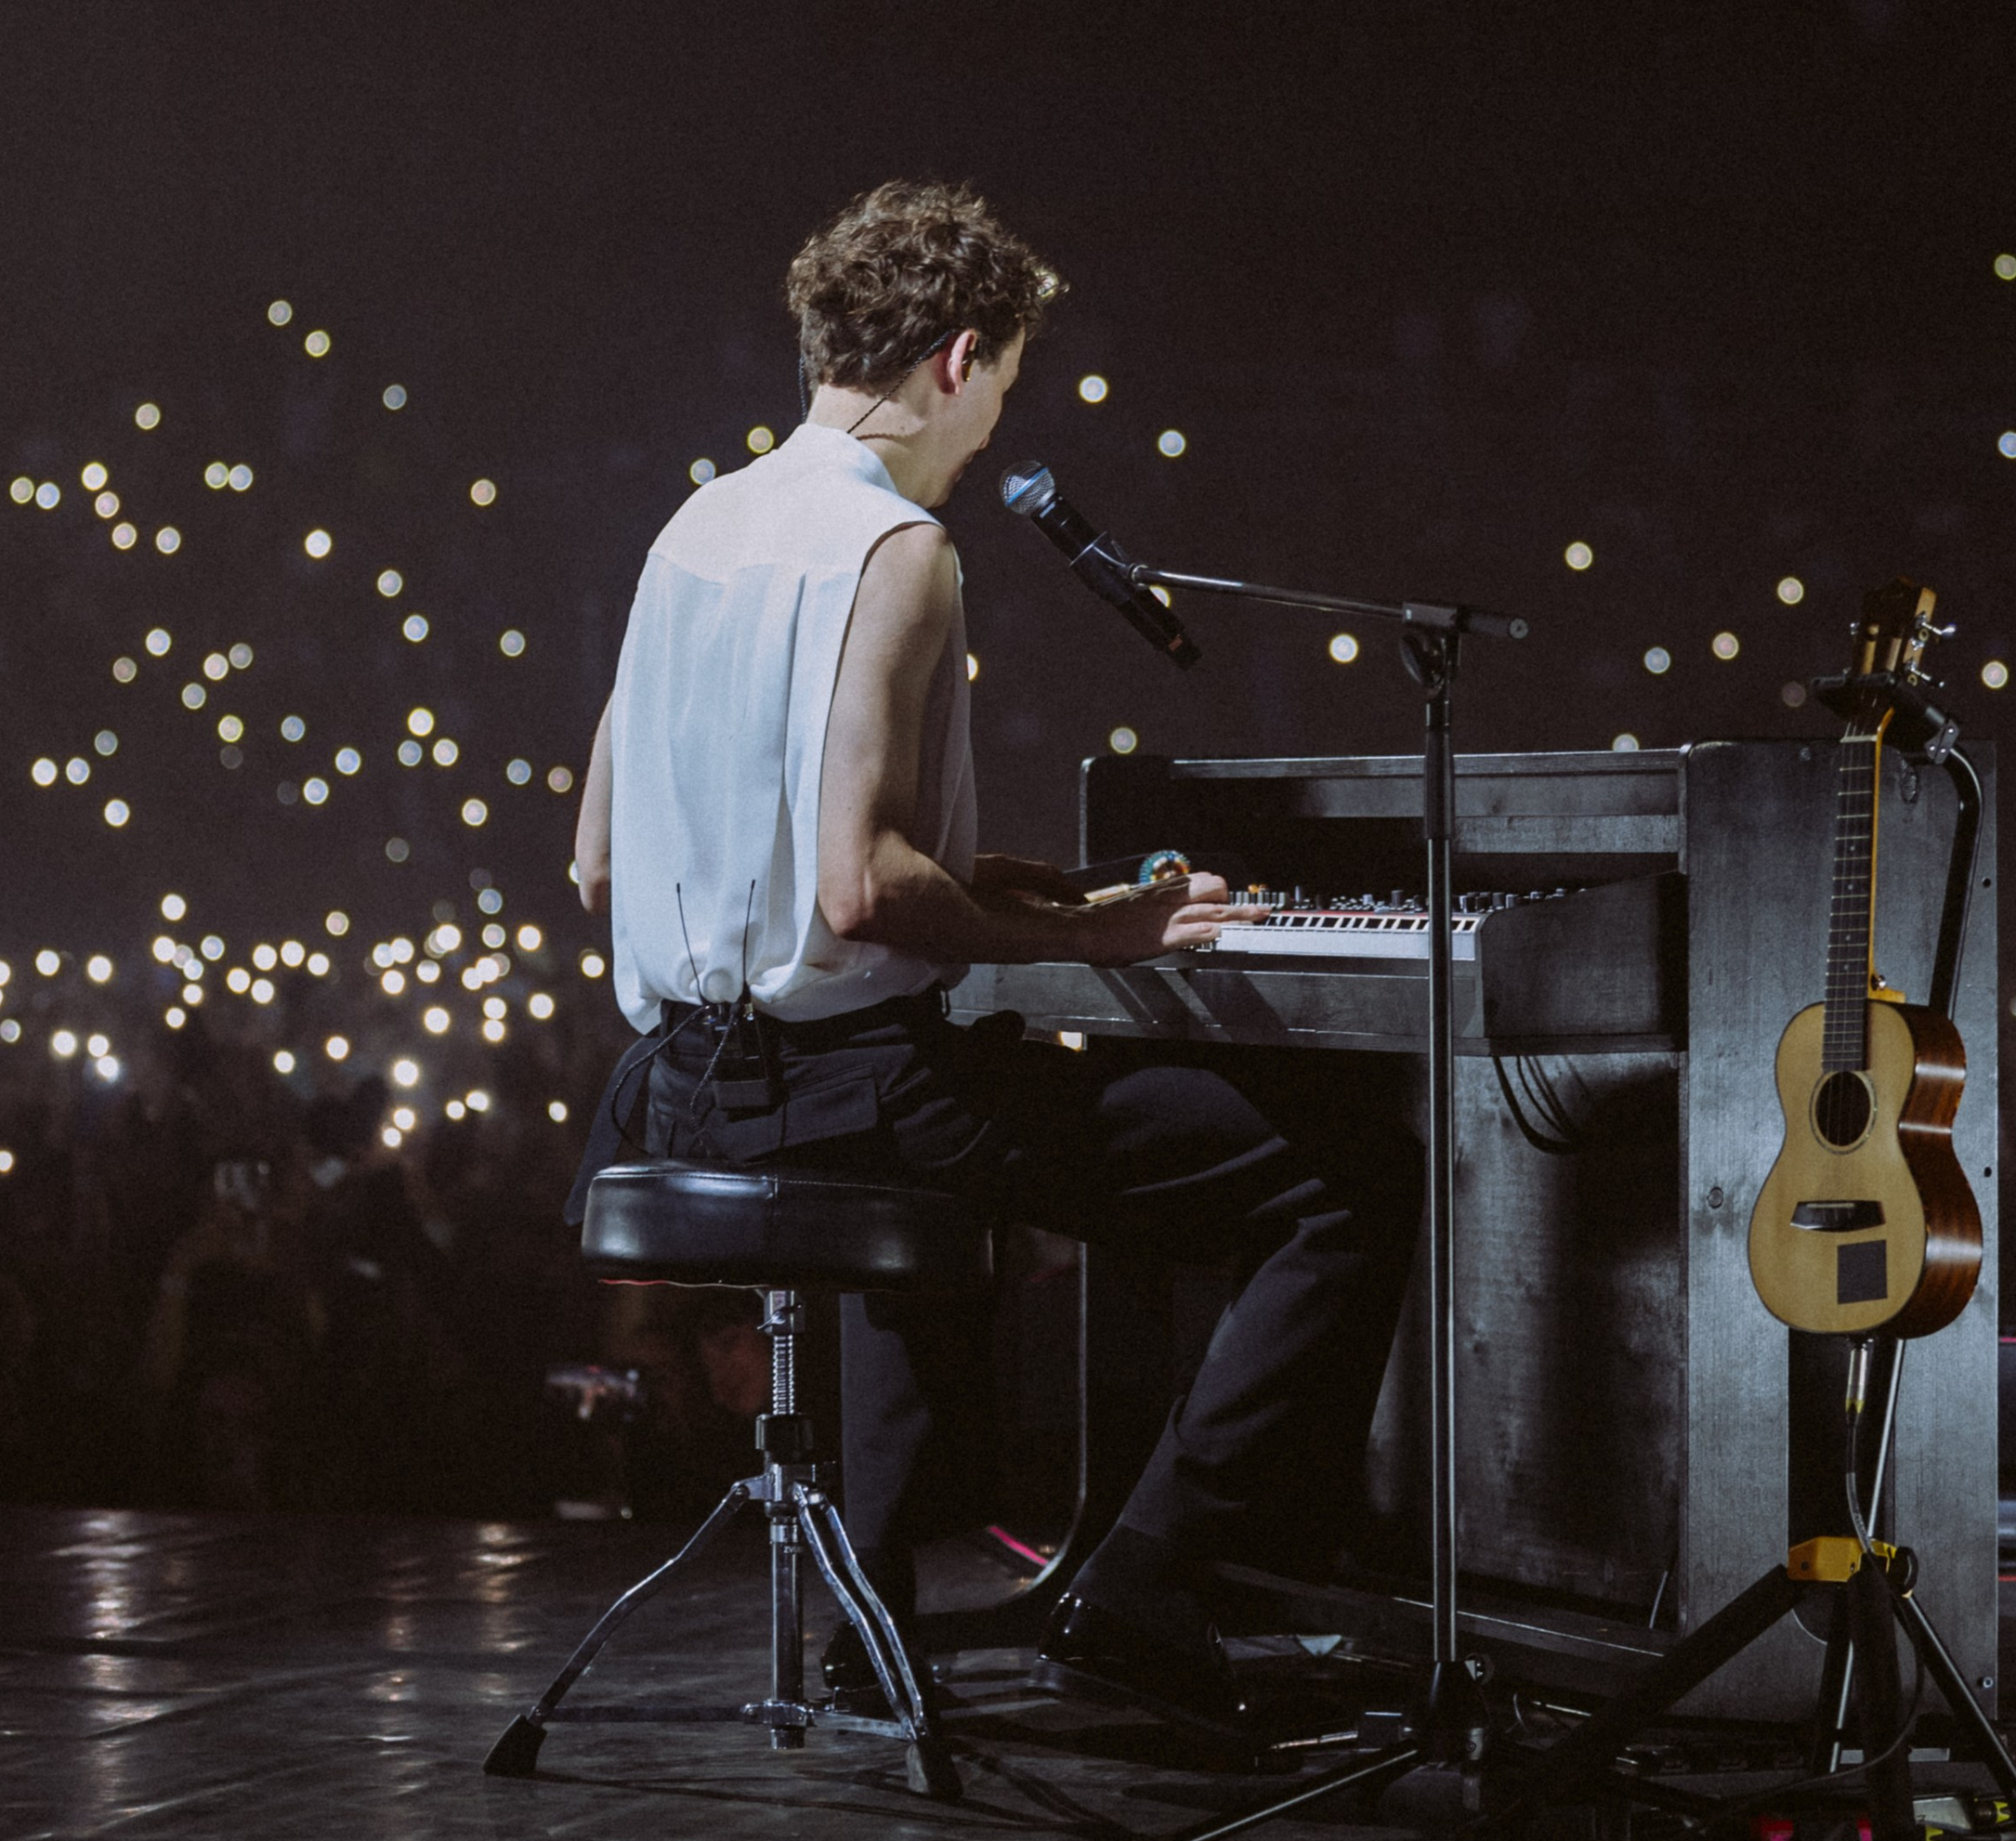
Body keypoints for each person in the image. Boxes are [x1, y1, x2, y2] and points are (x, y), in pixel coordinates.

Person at [566, 180, 1422, 1730]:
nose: (992, 432)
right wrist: (1094, 931)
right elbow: (860, 892)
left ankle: (870, 1616)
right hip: (841, 1093)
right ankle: (1152, 1581)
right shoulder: (897, 552)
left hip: (669, 1094)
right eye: (1007, 390)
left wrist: (1020, 890)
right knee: (1351, 1181)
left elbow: (605, 859)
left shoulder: (690, 531)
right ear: (959, 358)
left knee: (950, 1140)